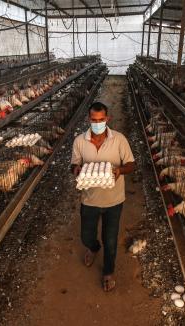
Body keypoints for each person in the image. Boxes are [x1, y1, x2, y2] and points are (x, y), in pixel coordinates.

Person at [70, 101, 135, 292]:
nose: (97, 123)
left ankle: (108, 272)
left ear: (107, 119)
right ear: (88, 119)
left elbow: (131, 164)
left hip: (114, 200)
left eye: (101, 119)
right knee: (86, 236)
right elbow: (73, 164)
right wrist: (77, 169)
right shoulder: (79, 141)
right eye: (93, 119)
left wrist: (120, 171)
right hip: (89, 199)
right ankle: (93, 247)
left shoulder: (119, 139)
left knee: (111, 239)